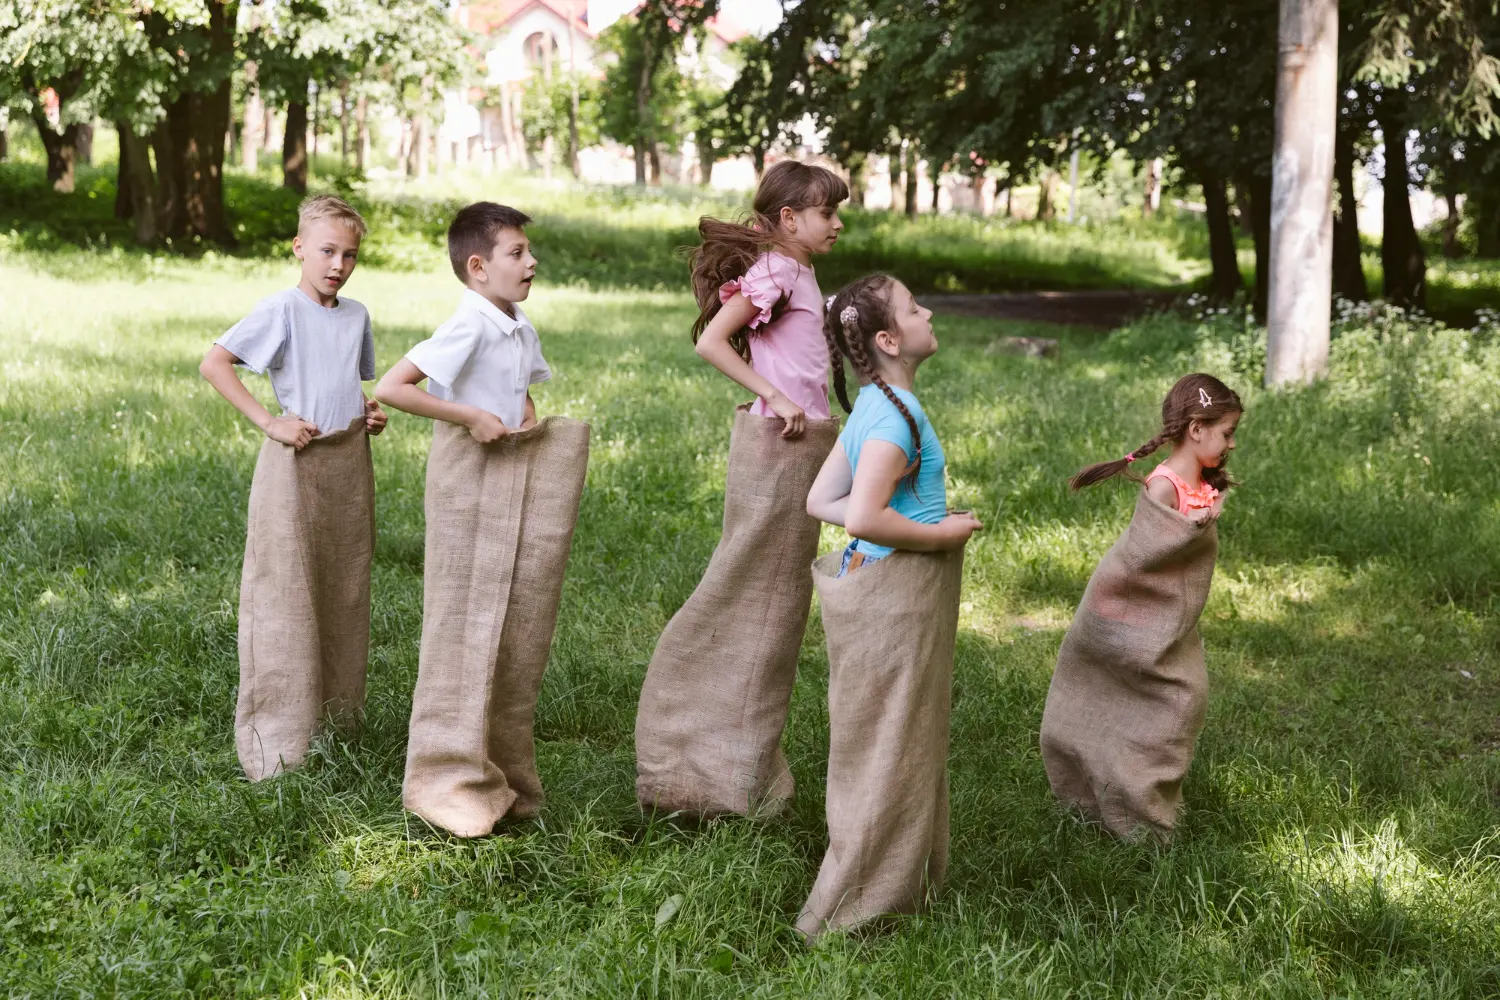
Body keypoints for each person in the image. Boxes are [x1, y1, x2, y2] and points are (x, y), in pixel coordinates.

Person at [634, 161, 849, 819]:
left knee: (775, 607)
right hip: (776, 450)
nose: (838, 224)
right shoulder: (778, 273)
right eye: (827, 213)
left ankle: (736, 770)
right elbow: (713, 342)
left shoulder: (800, 273)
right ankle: (688, 752)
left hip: (800, 448)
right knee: (748, 593)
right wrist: (775, 396)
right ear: (789, 219)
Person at [376, 202, 590, 838]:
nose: (532, 262)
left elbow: (522, 388)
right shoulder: (469, 323)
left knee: (515, 616)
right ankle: (445, 774)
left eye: (528, 252)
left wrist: (523, 412)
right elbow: (394, 386)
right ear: (478, 267)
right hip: (468, 478)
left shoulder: (518, 323)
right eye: (517, 253)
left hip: (511, 470)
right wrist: (469, 416)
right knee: (464, 612)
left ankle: (502, 767)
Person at [797, 274, 981, 939]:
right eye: (913, 307)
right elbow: (867, 516)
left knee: (889, 739)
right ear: (888, 339)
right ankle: (850, 910)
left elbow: (823, 502)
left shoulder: (876, 405)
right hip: (895, 596)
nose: (927, 311)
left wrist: (917, 511)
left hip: (873, 584)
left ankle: (901, 882)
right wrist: (938, 531)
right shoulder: (900, 417)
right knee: (890, 746)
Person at [199, 194, 386, 781]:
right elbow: (215, 363)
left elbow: (341, 382)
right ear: (299, 248)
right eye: (326, 250)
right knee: (286, 592)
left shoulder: (355, 316)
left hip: (347, 467)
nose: (337, 264)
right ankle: (278, 738)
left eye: (349, 255)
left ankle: (336, 722)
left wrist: (368, 410)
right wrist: (269, 421)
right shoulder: (281, 309)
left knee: (343, 588)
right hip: (295, 466)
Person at [1040, 373, 1242, 842]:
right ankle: (1128, 815)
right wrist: (1192, 526)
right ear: (1197, 429)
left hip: (1171, 626)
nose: (1231, 444)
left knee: (1179, 703)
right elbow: (1145, 556)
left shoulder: (1200, 481)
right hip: (1131, 619)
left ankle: (1141, 805)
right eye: (1226, 433)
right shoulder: (1164, 486)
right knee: (1166, 700)